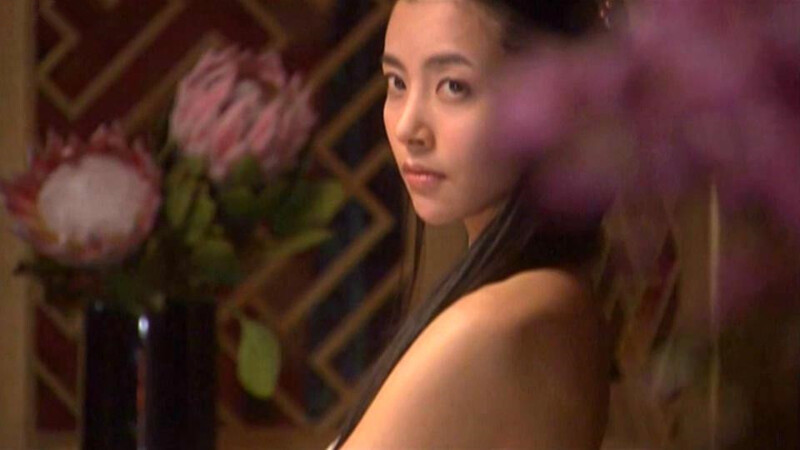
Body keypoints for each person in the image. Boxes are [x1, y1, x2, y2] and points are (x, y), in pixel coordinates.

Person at [330, 0, 610, 448]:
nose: (408, 127)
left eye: (453, 87)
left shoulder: (493, 326)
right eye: (397, 82)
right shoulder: (548, 295)